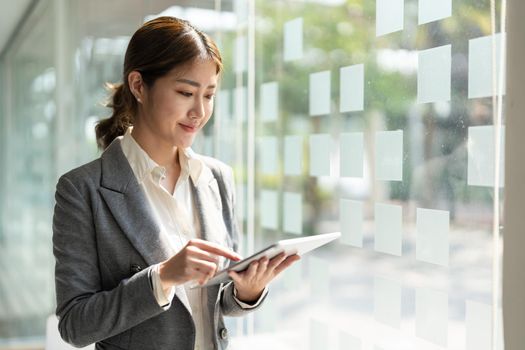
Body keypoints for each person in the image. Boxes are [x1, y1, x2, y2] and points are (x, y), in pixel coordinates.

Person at [52, 16, 299, 350]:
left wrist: (247, 290)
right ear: (138, 86)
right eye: (186, 92)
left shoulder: (216, 178)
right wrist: (163, 277)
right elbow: (75, 325)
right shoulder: (82, 189)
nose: (199, 111)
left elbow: (214, 300)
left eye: (209, 95)